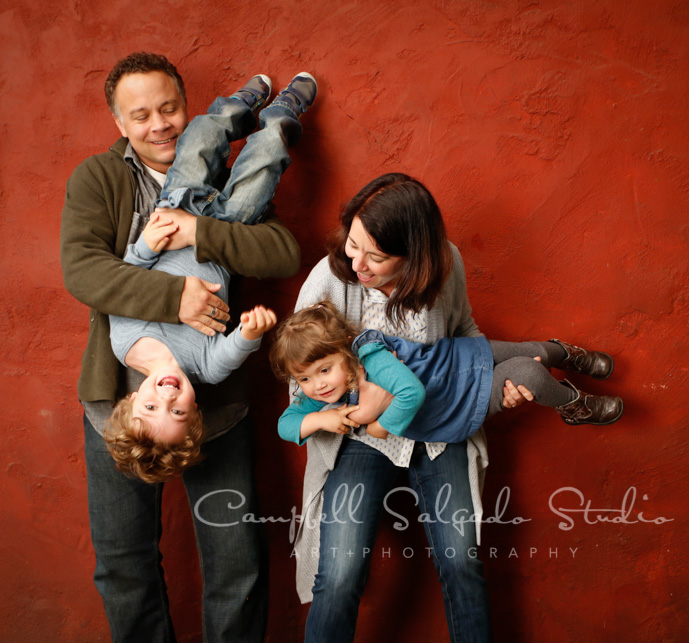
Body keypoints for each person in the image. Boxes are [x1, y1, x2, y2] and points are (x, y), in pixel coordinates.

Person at [60, 51, 304, 641]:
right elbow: (84, 272)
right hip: (113, 405)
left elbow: (283, 253)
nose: (159, 124)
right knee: (124, 562)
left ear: (186, 107)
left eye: (169, 108)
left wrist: (201, 230)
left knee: (236, 558)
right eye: (140, 115)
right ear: (120, 123)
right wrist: (176, 300)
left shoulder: (219, 169)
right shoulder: (97, 177)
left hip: (213, 398)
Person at [288, 172, 544, 642]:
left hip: (439, 428)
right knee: (338, 576)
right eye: (353, 243)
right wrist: (350, 406)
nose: (357, 262)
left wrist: (491, 384)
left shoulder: (446, 264)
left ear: (415, 258)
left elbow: (465, 331)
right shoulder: (330, 278)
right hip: (364, 437)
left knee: (462, 564)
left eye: (377, 256)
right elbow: (297, 372)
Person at [105, 72, 318, 483]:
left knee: (201, 135)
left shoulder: (124, 343)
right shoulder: (206, 367)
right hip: (228, 229)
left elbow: (128, 275)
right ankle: (283, 114)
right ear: (195, 410)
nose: (167, 396)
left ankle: (239, 106)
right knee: (266, 158)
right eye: (178, 410)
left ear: (132, 399)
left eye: (151, 407)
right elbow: (231, 351)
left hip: (175, 209)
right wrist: (251, 333)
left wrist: (148, 244)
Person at [272, 301, 623, 444]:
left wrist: (378, 426)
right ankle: (572, 404)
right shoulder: (321, 401)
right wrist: (319, 421)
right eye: (303, 378)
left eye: (324, 370)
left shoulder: (367, 352)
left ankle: (568, 354)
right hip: (453, 404)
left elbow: (410, 392)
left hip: (455, 360)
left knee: (535, 352)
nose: (317, 385)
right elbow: (284, 424)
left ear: (343, 349)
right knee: (528, 375)